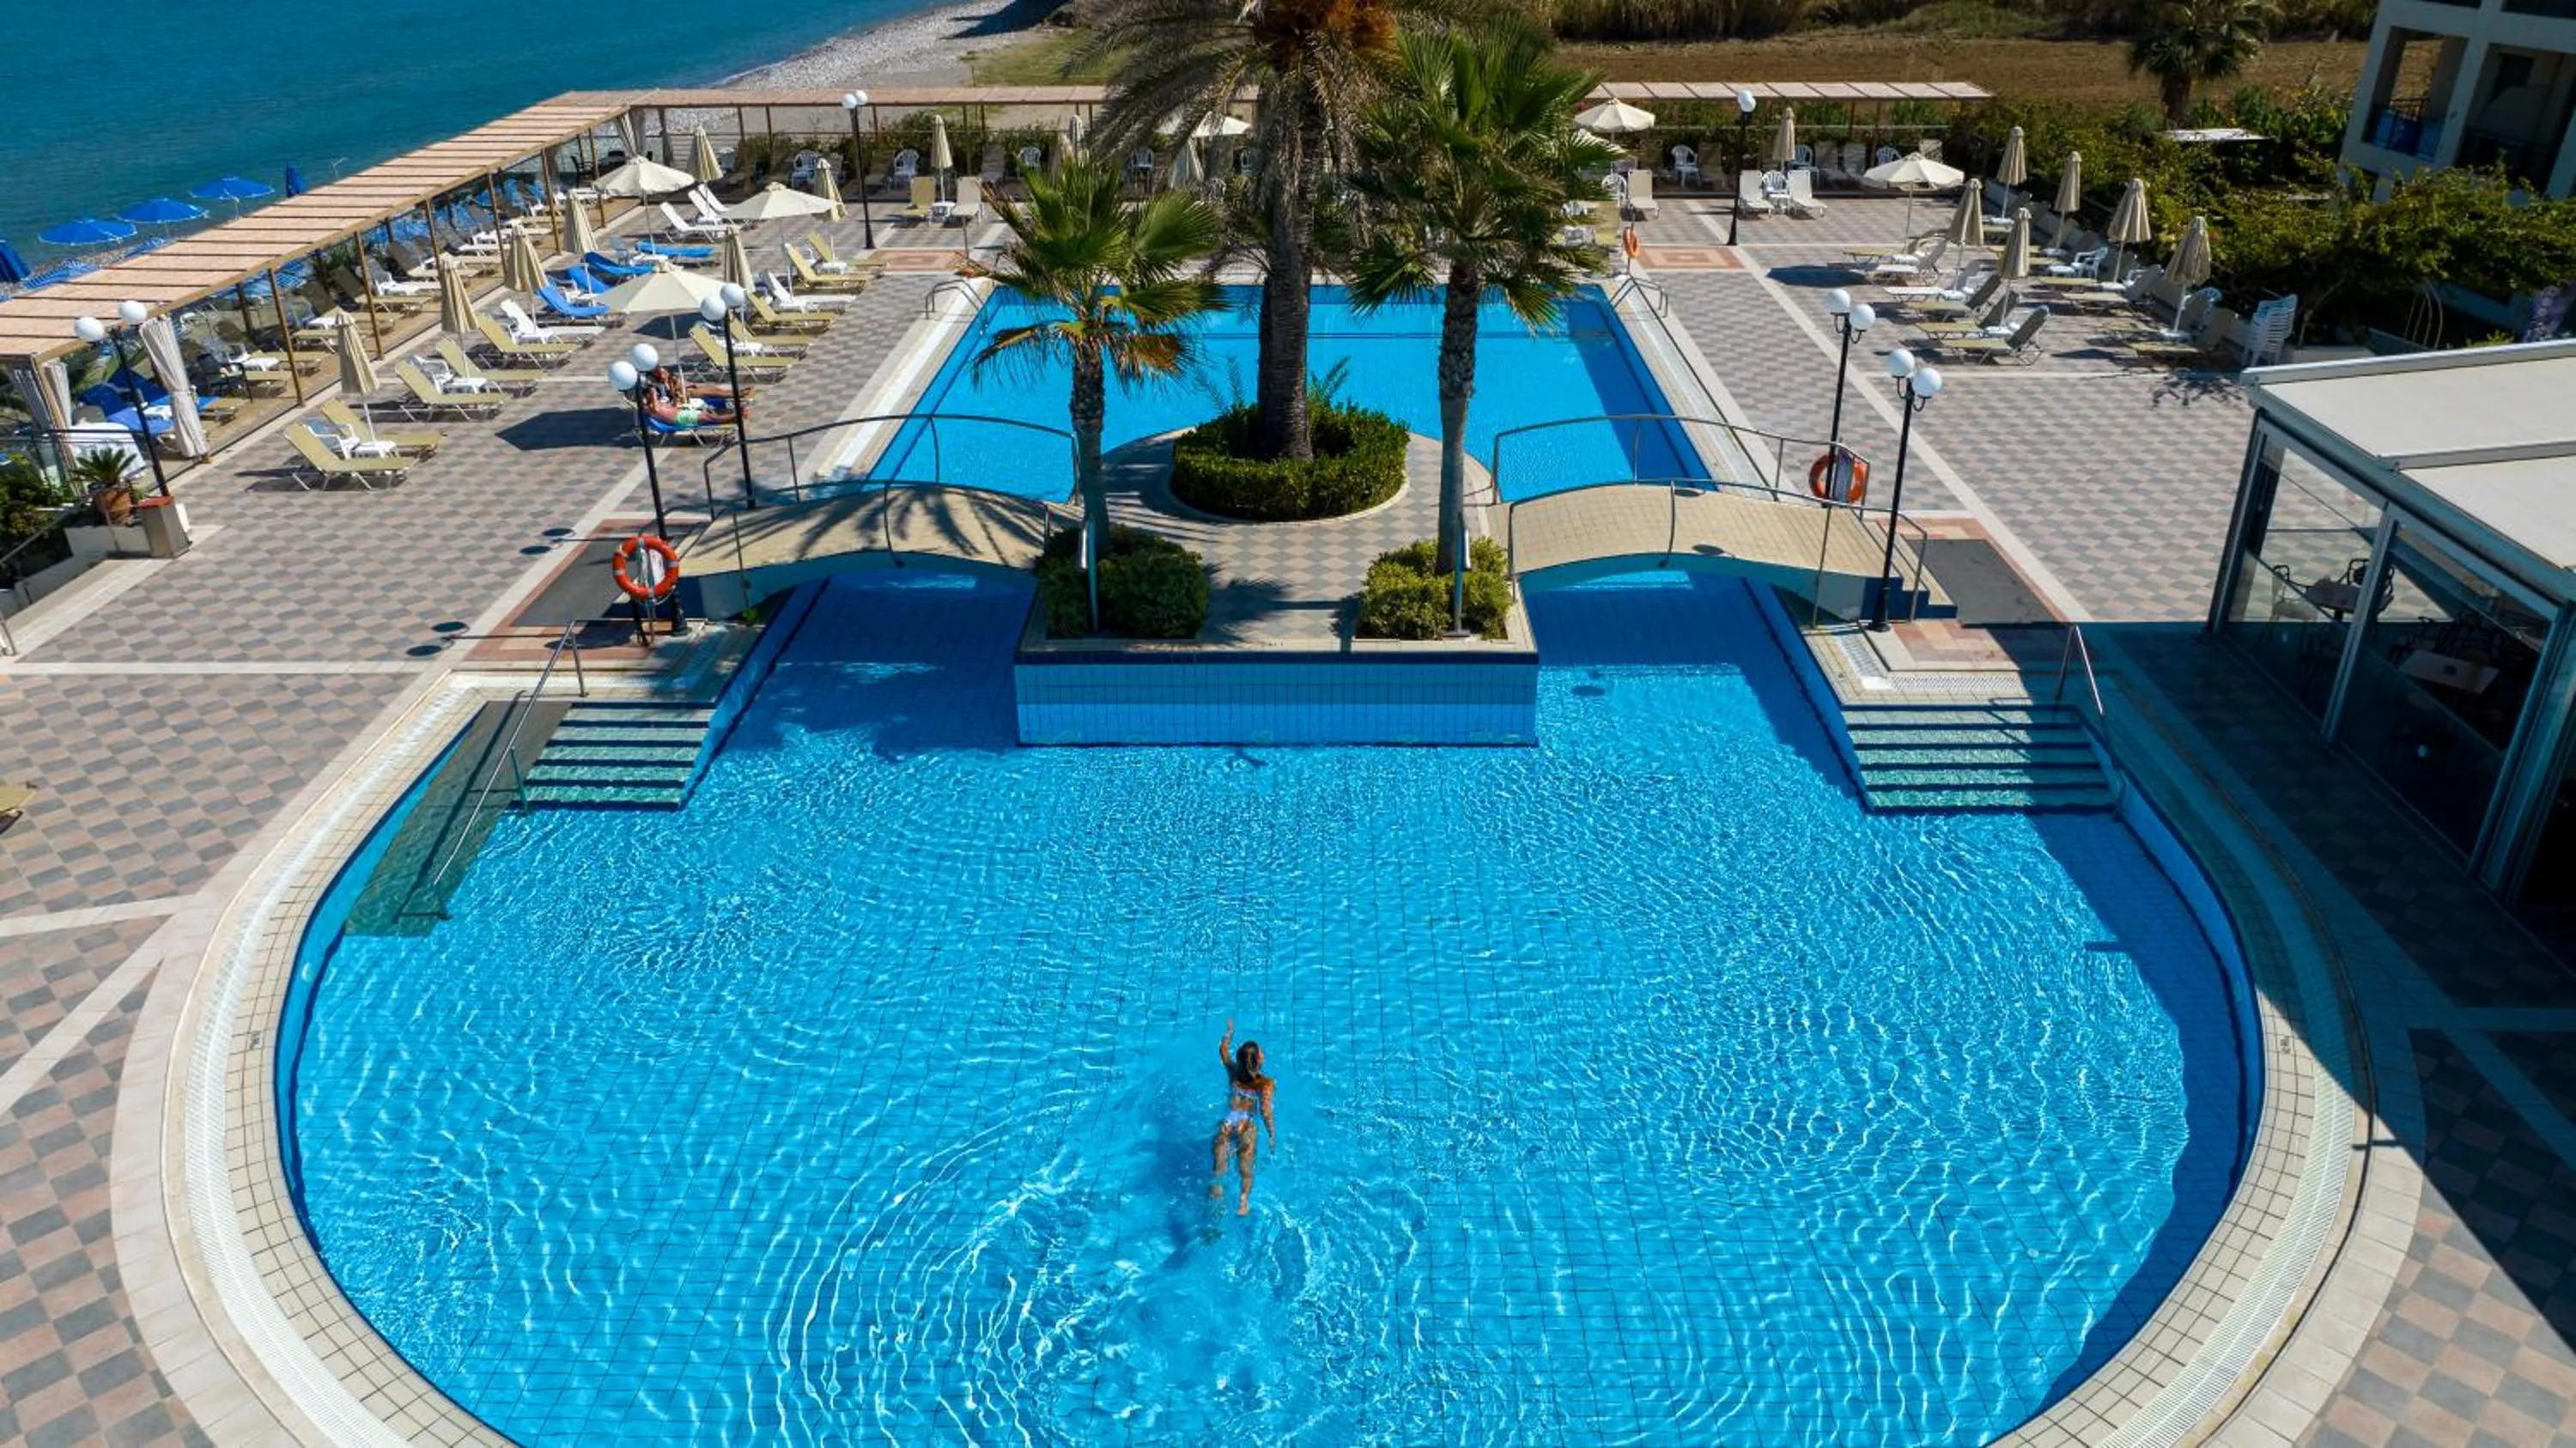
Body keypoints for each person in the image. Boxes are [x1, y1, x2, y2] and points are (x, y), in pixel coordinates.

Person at [1211, 1019, 1275, 1216]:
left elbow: (1223, 1051)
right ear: (1259, 1061)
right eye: (1260, 1052)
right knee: (1245, 1170)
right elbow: (1265, 1111)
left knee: (1218, 1171)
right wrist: (1271, 1133)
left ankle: (1216, 1208)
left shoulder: (1233, 1073)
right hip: (1246, 1126)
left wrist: (1229, 1033)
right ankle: (1243, 1201)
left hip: (1227, 1124)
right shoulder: (1266, 1084)